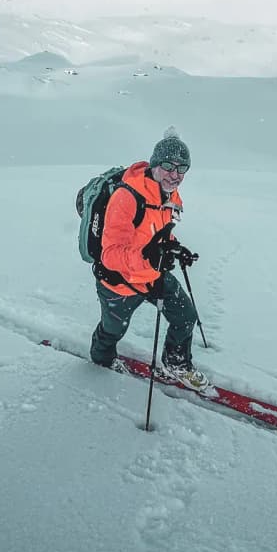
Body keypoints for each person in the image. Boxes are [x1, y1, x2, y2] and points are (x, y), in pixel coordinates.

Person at [89, 129, 205, 389]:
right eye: (168, 166)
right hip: (118, 283)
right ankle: (101, 361)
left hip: (153, 276)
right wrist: (150, 260)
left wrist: (175, 248)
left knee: (186, 316)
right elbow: (110, 254)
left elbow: (159, 233)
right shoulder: (126, 197)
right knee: (112, 332)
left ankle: (176, 362)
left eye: (182, 168)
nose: (175, 175)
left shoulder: (172, 197)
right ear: (155, 164)